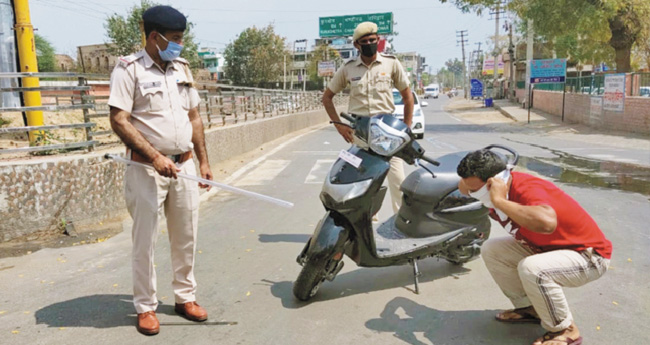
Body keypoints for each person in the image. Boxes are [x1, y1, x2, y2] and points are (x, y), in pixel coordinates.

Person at [108, 5, 212, 336]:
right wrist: (154, 157)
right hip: (146, 169)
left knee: (186, 237)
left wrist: (203, 160)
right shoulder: (129, 70)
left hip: (184, 166)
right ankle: (146, 306)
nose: (180, 45)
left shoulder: (181, 68)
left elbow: (193, 117)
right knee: (145, 241)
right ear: (155, 37)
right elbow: (118, 119)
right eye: (176, 38)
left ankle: (185, 297)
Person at [457, 149, 612, 345]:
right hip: (547, 248)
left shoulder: (525, 189)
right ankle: (531, 309)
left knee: (532, 269)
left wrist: (499, 201)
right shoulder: (489, 186)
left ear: (495, 182)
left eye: (476, 190)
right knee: (492, 250)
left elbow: (547, 223)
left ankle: (565, 329)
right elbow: (463, 186)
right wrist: (474, 188)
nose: (471, 194)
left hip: (588, 256)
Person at [322, 21, 413, 214]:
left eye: (373, 39)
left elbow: (407, 97)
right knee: (360, 181)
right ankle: (366, 221)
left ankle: (401, 220)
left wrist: (406, 128)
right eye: (365, 41)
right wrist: (340, 126)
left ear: (378, 40)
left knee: (398, 180)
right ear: (357, 45)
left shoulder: (391, 63)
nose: (370, 43)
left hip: (387, 132)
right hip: (361, 133)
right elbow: (327, 97)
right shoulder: (348, 68)